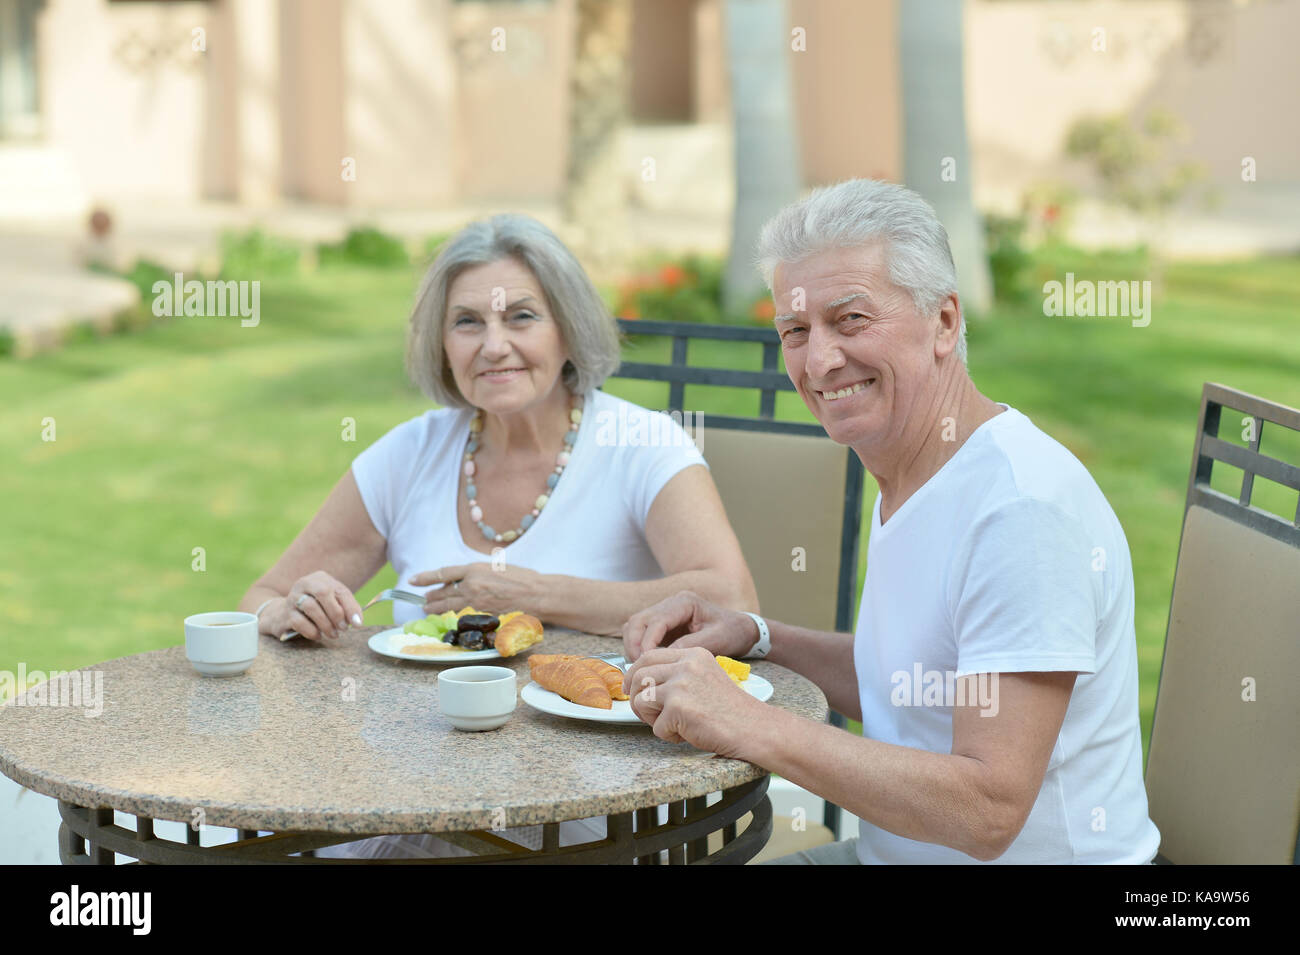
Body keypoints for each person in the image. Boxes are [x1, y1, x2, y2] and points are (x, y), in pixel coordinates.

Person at [620, 179, 1162, 864]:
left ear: (944, 323)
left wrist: (751, 724)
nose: (819, 361)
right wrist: (756, 639)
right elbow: (913, 679)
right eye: (795, 331)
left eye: (850, 320)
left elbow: (988, 808)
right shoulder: (916, 472)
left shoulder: (1020, 511)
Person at [238, 213, 757, 859]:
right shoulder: (409, 453)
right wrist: (286, 610)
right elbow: (261, 596)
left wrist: (529, 593)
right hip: (406, 784)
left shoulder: (641, 443)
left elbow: (732, 598)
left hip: (587, 808)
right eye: (467, 322)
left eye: (520, 316)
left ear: (568, 328)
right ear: (441, 343)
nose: (493, 345)